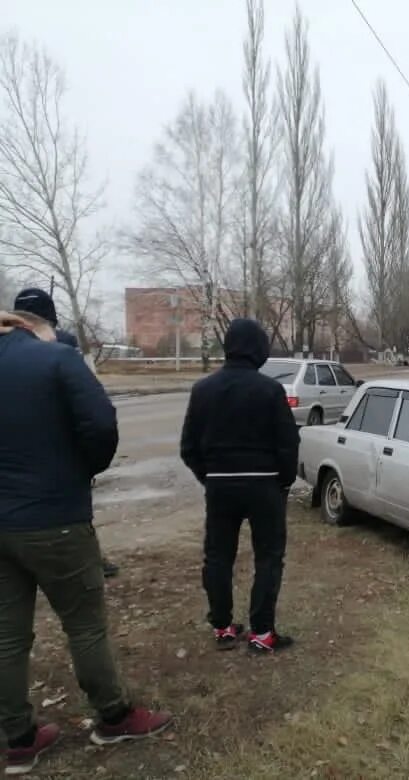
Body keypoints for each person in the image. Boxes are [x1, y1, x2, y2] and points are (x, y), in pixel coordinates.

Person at [0, 309, 171, 774]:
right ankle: (112, 715)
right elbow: (100, 424)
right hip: (54, 518)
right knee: (84, 624)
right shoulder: (57, 359)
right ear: (35, 329)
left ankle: (18, 738)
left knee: (8, 634)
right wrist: (81, 472)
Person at [180, 318, 300, 653]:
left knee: (218, 557)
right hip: (265, 486)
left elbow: (188, 446)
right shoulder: (269, 390)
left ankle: (223, 626)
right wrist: (284, 482)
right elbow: (288, 444)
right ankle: (262, 633)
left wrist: (210, 476)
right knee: (269, 557)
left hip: (220, 486)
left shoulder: (203, 389)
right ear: (258, 349)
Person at [12, 289, 120, 579]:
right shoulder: (63, 345)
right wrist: (88, 464)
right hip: (60, 452)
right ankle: (92, 557)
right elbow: (91, 404)